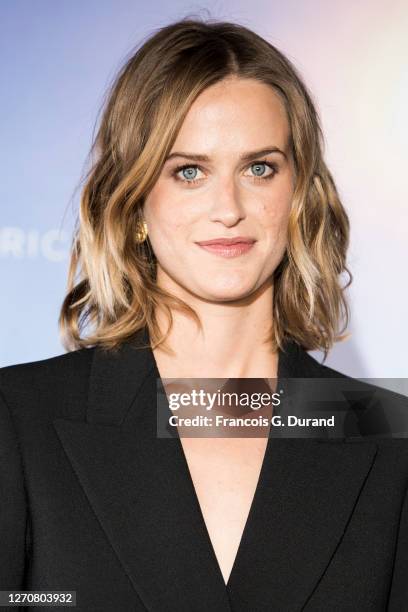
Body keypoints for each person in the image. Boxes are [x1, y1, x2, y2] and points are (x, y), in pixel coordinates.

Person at [1, 17, 407, 612]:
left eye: (259, 168)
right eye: (188, 171)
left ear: (299, 195)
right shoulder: (19, 421)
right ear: (135, 201)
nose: (229, 208)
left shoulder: (387, 436)